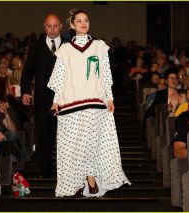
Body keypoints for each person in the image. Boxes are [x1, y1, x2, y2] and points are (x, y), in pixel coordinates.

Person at [47, 9, 130, 197]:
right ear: (72, 25)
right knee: (73, 145)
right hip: (70, 103)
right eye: (79, 20)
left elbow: (106, 75)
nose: (83, 23)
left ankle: (91, 179)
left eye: (86, 20)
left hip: (95, 101)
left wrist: (110, 98)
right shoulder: (65, 50)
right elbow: (59, 78)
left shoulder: (100, 46)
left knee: (92, 143)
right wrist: (55, 102)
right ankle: (78, 181)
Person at [20, 13, 64, 178]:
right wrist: (25, 90)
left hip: (64, 100)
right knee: (44, 137)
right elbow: (27, 70)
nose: (52, 29)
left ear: (60, 27)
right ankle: (46, 172)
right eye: (49, 26)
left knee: (65, 138)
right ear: (44, 26)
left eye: (55, 26)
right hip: (42, 100)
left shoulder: (68, 45)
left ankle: (66, 172)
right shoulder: (37, 45)